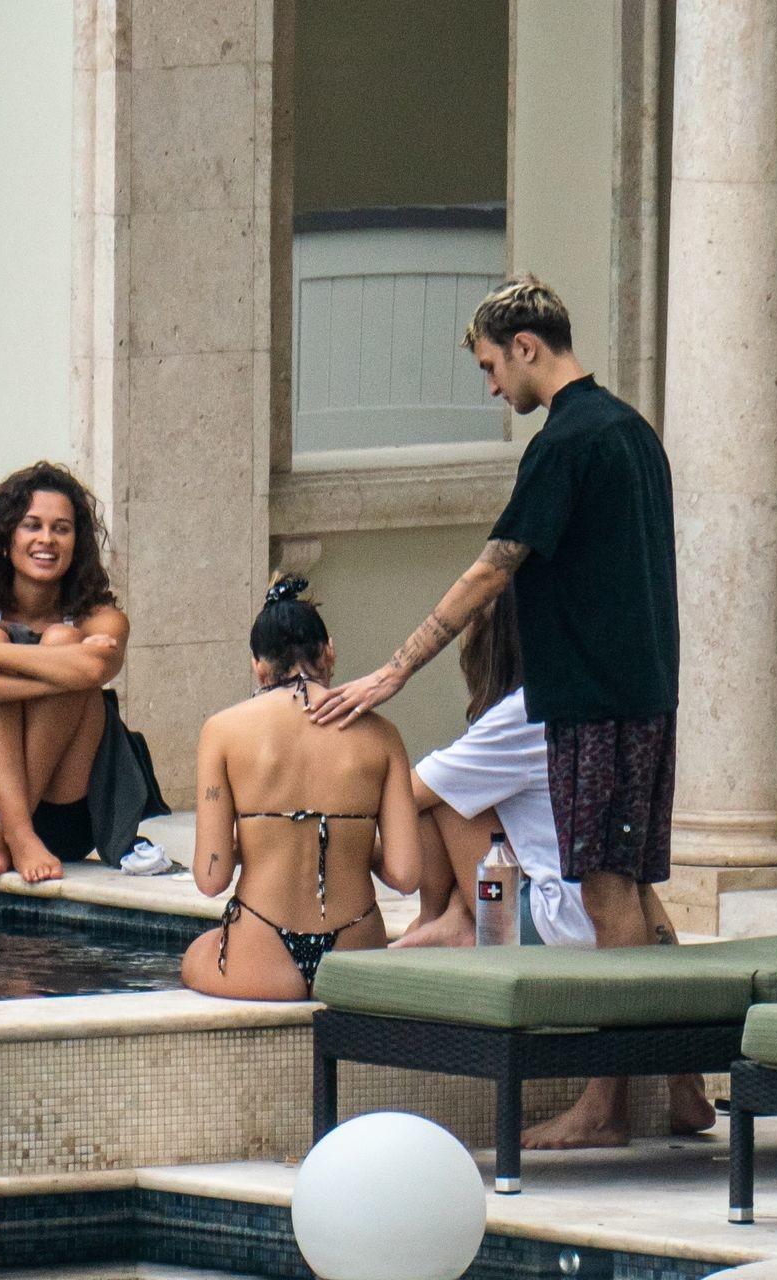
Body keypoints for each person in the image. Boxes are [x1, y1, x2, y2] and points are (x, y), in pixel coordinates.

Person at [310, 274, 713, 1147]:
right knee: (631, 886)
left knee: (607, 891)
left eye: (493, 367)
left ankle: (604, 1108)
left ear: (527, 347)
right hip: (645, 693)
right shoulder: (634, 433)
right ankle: (681, 1083)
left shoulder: (565, 441)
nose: (494, 387)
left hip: (590, 701)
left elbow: (493, 568)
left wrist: (394, 671)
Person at [182, 577, 421, 1001]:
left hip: (259, 956)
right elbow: (405, 875)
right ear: (329, 652)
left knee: (196, 952)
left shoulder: (222, 730)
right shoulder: (383, 735)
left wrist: (264, 838)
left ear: (258, 666)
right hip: (356, 954)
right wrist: (349, 839)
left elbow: (211, 877)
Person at [0, 462, 129, 884]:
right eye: (31, 525)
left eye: (61, 529)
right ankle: (16, 831)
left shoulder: (101, 619)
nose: (46, 539)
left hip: (67, 819)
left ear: (77, 543)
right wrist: (55, 676)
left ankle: (7, 836)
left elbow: (92, 668)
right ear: (5, 538)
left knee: (61, 640)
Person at [395, 586, 594, 950]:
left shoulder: (523, 713)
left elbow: (408, 794)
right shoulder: (569, 696)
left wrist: (346, 841)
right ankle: (454, 919)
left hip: (556, 925)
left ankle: (437, 921)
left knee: (445, 796)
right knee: (460, 787)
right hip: (595, 912)